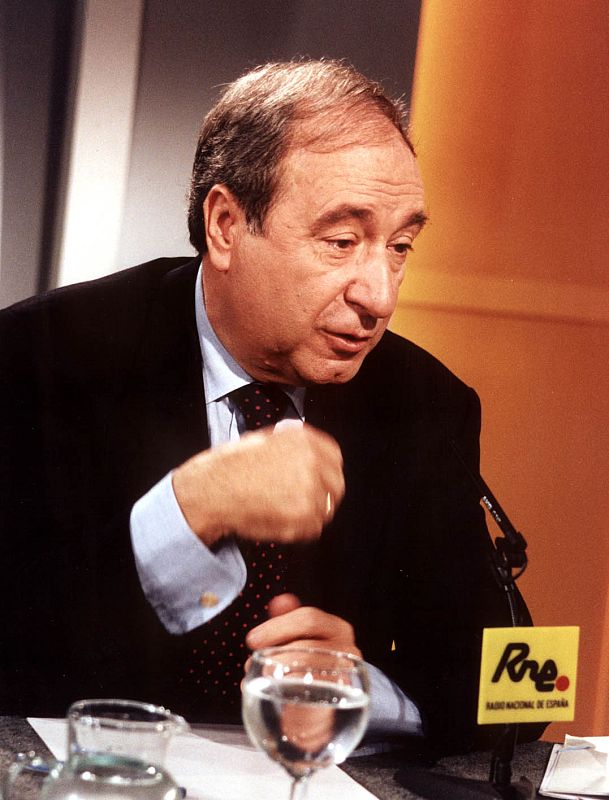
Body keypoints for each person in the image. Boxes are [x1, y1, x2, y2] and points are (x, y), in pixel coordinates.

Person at [0, 59, 541, 756]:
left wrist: (358, 691)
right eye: (342, 242)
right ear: (226, 224)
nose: (378, 296)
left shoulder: (424, 402)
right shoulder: (38, 358)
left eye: (400, 247)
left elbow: (516, 690)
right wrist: (186, 510)